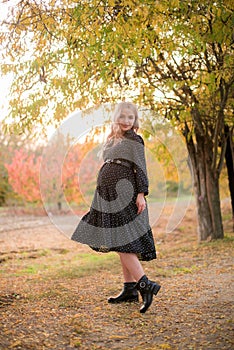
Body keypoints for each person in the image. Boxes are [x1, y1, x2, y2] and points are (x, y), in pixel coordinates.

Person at [71, 102, 161, 313]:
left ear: (135, 120)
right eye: (123, 117)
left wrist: (141, 194)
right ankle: (130, 289)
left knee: (122, 239)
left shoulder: (135, 140)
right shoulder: (111, 140)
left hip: (125, 193)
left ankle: (145, 285)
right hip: (106, 195)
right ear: (116, 118)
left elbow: (141, 167)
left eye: (131, 118)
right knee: (120, 240)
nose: (127, 121)